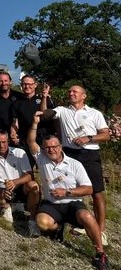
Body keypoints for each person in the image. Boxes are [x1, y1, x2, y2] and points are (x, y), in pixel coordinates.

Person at [28, 113, 110, 270]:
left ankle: (100, 253)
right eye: (47, 147)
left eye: (55, 146)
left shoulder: (75, 164)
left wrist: (66, 192)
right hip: (52, 204)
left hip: (73, 203)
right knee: (42, 223)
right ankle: (58, 227)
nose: (51, 150)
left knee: (87, 216)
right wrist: (35, 123)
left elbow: (88, 189)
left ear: (60, 146)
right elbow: (31, 141)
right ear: (44, 149)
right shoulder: (42, 158)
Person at [42, 85, 111, 246]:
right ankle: (64, 224)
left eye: (75, 91)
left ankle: (101, 231)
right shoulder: (62, 110)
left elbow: (106, 135)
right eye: (69, 92)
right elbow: (45, 115)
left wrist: (89, 138)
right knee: (66, 189)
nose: (71, 93)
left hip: (89, 154)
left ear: (83, 96)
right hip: (69, 153)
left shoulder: (94, 113)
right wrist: (44, 96)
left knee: (96, 192)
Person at [0, 131, 40, 236]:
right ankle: (7, 208)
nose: (1, 145)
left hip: (20, 187)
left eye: (4, 142)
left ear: (8, 141)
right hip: (2, 189)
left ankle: (32, 220)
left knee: (33, 185)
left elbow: (29, 175)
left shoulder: (19, 152)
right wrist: (1, 190)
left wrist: (15, 182)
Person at [11, 75, 54, 162]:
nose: (27, 86)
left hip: (43, 137)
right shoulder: (16, 102)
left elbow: (46, 115)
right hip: (25, 139)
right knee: (26, 166)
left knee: (47, 165)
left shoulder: (44, 98)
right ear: (21, 85)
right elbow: (15, 121)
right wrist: (13, 133)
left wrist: (44, 97)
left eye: (30, 84)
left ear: (35, 85)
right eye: (24, 84)